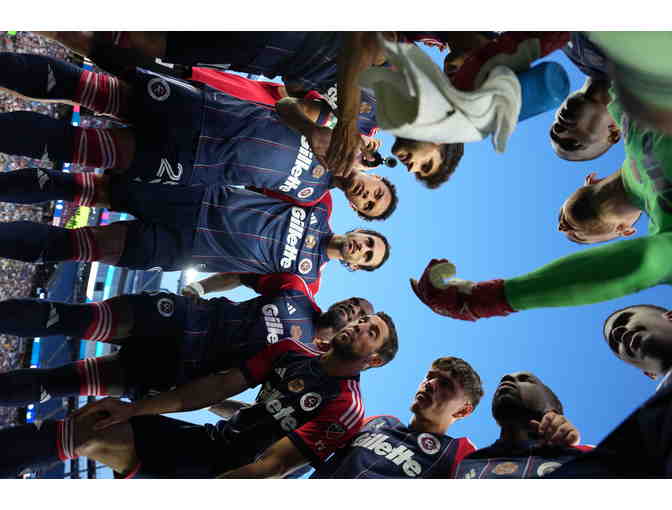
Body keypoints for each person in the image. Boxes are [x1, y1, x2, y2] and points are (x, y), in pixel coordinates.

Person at [0, 53, 397, 221]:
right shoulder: (339, 131)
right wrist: (316, 131)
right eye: (376, 192)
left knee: (78, 148)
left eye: (368, 205)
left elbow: (243, 201)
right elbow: (285, 102)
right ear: (375, 176)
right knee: (90, 90)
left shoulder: (310, 198)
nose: (367, 195)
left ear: (355, 208)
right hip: (203, 111)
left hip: (189, 165)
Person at [0, 313, 399, 478]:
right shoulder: (291, 352)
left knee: (95, 436)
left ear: (375, 361)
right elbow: (219, 386)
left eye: (372, 332)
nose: (359, 326)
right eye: (363, 320)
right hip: (209, 440)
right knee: (98, 422)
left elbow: (272, 468)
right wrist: (134, 409)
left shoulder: (346, 408)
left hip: (231, 472)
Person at [0, 272, 373, 405]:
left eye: (359, 315)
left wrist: (209, 404)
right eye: (354, 302)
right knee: (72, 319)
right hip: (179, 318)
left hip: (176, 372)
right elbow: (241, 274)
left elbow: (256, 403)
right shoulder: (296, 290)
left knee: (62, 383)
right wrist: (201, 286)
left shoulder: (307, 364)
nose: (352, 309)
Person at [0, 169, 391, 294]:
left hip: (184, 249)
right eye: (369, 241)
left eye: (368, 255)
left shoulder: (306, 283)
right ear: (360, 229)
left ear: (356, 266)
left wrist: (202, 288)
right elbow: (259, 178)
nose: (363, 247)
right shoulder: (320, 204)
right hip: (193, 200)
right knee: (93, 189)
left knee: (82, 245)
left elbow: (241, 277)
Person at [548, 304, 672, 477]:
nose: (617, 333)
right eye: (615, 345)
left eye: (625, 319)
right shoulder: (645, 434)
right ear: (648, 373)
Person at [311, 356, 482, 478]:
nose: (429, 383)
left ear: (463, 411)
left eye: (445, 384)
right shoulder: (377, 421)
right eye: (430, 376)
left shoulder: (458, 454)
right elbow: (307, 453)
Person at [454, 371, 590, 478]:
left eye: (524, 379)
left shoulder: (584, 457)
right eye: (504, 380)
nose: (507, 380)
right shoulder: (465, 462)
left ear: (552, 406)